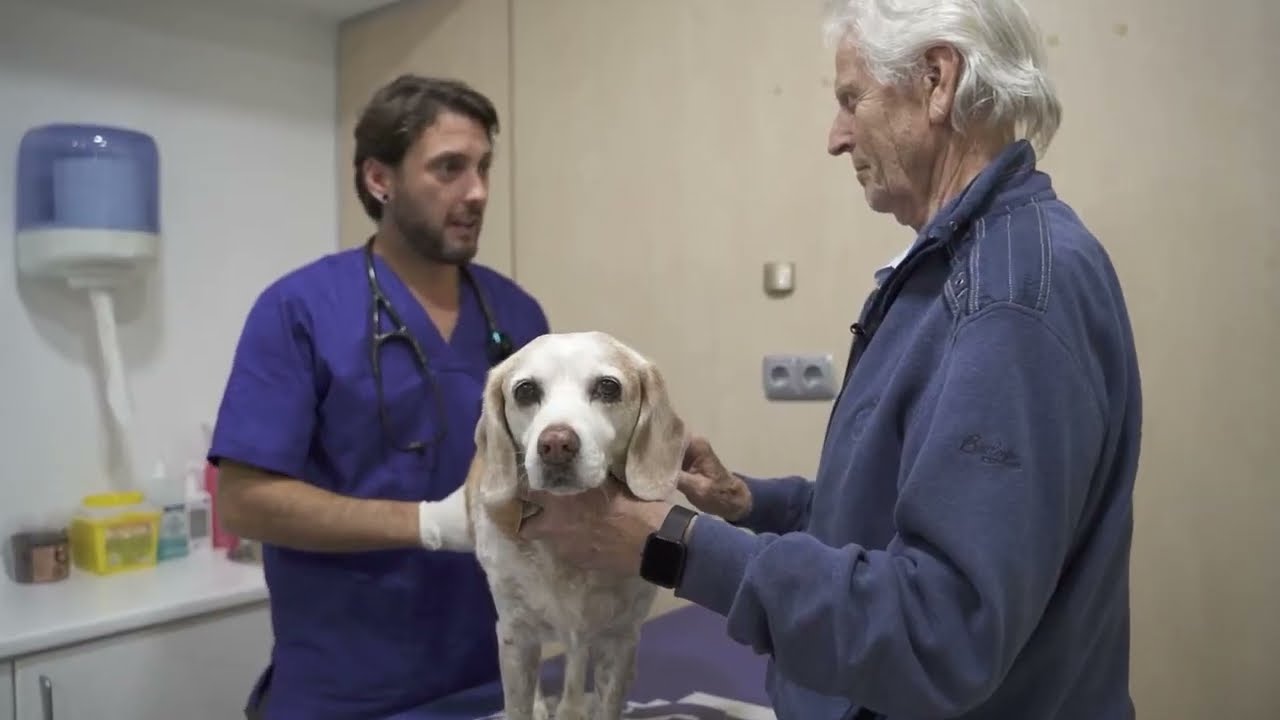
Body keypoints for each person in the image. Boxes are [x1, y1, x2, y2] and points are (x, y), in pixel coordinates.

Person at [518, 1, 1142, 719]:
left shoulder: (1010, 297)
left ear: (938, 81)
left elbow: (939, 632)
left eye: (850, 99)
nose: (835, 138)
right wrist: (751, 504)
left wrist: (671, 545)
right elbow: (897, 516)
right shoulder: (949, 268)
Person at [208, 74, 550, 720]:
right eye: (448, 168)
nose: (476, 191)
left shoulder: (518, 316)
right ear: (379, 180)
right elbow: (244, 501)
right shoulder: (299, 311)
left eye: (482, 168)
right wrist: (428, 525)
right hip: (347, 691)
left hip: (495, 680)